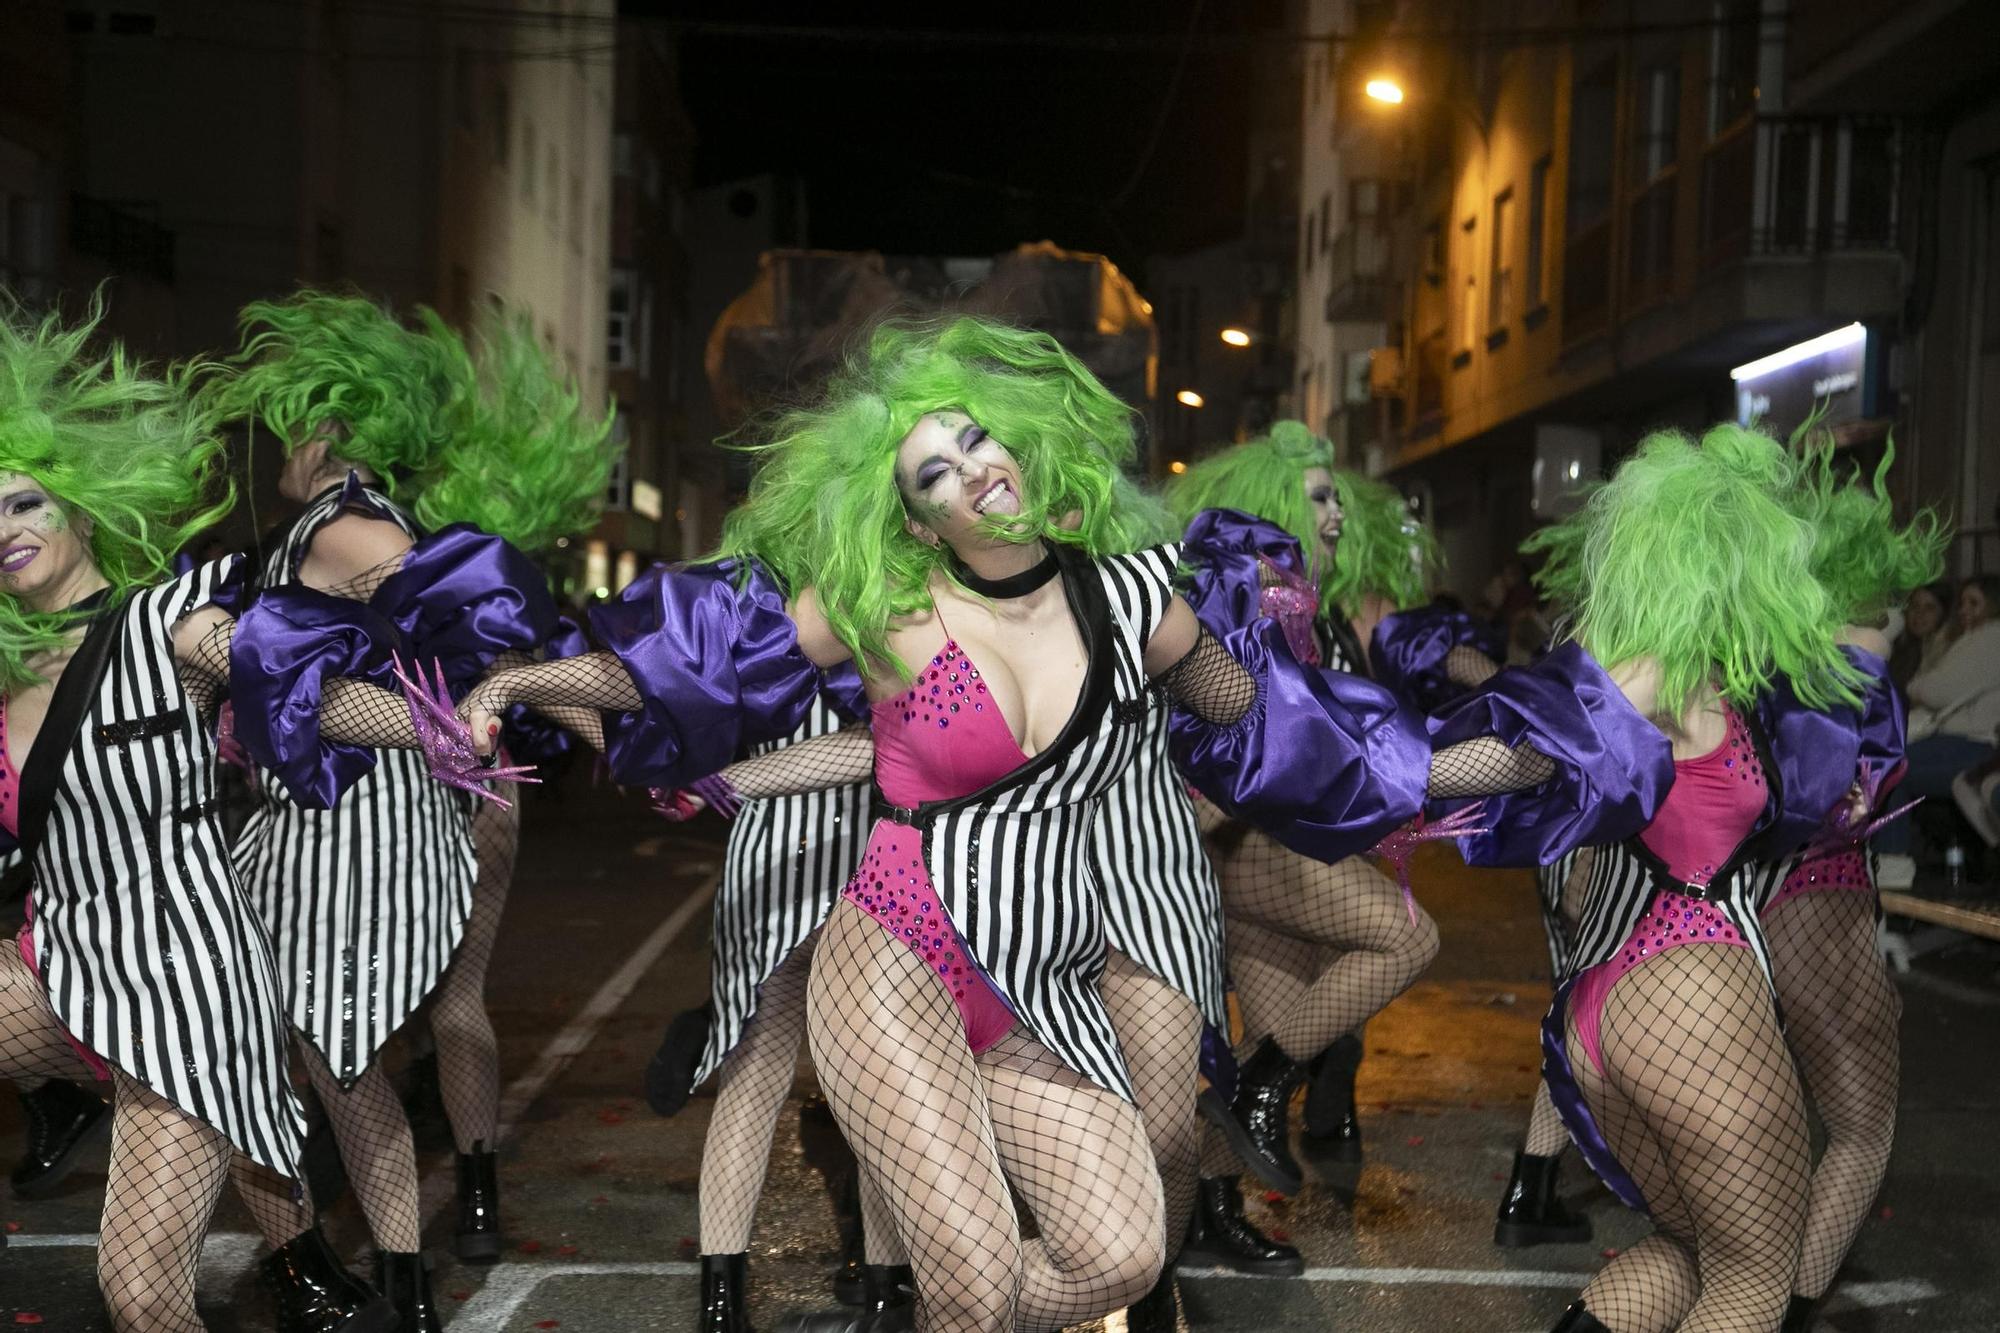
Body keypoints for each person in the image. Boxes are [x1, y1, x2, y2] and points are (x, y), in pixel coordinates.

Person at [460, 318, 1578, 1333]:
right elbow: (689, 663)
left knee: (1119, 1251)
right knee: (970, 1285)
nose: (972, 471)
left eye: (977, 440)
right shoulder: (883, 606)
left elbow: (1286, 736)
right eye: (932, 472)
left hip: (1041, 979)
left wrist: (1485, 761)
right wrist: (516, 682)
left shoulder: (1141, 602)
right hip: (891, 961)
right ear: (911, 514)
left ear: (1025, 445)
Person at [0, 294, 472, 1331]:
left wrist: (437, 727)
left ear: (82, 500)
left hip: (181, 990)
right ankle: (69, 1094)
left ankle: (289, 1231)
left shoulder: (164, 621)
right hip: (63, 966)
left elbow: (293, 683)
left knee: (139, 1295)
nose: (8, 531)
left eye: (26, 501)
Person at [201, 290, 612, 1321]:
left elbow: (491, 613)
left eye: (293, 427)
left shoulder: (342, 522)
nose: (280, 448)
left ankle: (391, 1268)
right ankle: (416, 1227)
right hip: (373, 805)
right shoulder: (331, 526)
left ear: (330, 428)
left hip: (372, 817)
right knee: (339, 1038)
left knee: (346, 1041)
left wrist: (527, 706)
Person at [1488, 422, 1892, 1332]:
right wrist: (1385, 767)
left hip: (1617, 1000)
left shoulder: (1696, 666)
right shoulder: (1658, 670)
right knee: (1758, 1274)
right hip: (1689, 987)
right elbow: (1521, 751)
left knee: (1703, 1251)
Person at [1874, 574, 2000, 887]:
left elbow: (1938, 689)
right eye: (1962, 604)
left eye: (1974, 603)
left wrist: (1917, 686)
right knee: (1890, 765)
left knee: (1893, 768)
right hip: (1960, 740)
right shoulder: (1971, 638)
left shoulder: (1989, 637)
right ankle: (1890, 863)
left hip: (1972, 743)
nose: (1964, 611)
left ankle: (1891, 865)